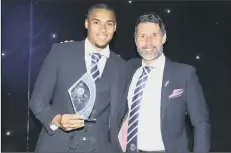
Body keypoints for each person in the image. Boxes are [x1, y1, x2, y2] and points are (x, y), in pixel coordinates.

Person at [29, 3, 127, 152]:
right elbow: (37, 101)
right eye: (96, 23)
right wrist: (58, 120)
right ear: (86, 23)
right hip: (57, 146)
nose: (103, 29)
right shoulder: (61, 52)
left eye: (109, 24)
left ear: (115, 27)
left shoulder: (121, 66)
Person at [118, 12, 211, 152]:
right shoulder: (128, 69)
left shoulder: (184, 74)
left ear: (164, 37)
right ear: (136, 40)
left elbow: (201, 122)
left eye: (154, 35)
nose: (148, 42)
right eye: (142, 36)